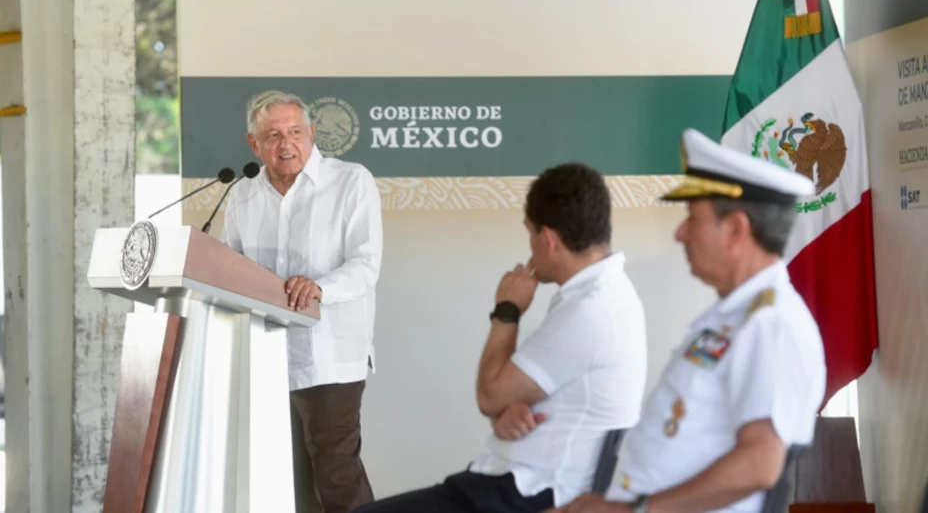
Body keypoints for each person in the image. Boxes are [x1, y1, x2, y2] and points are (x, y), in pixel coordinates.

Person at [546, 128, 826, 513]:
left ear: (735, 230)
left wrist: (635, 510)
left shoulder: (771, 324)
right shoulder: (734, 316)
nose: (680, 233)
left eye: (692, 218)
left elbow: (760, 464)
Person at [353, 162, 649, 513]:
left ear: (549, 239)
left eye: (530, 234)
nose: (530, 247)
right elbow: (509, 397)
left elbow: (490, 394)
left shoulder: (591, 309)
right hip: (510, 481)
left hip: (528, 492)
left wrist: (507, 311)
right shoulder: (603, 295)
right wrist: (505, 412)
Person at [222, 90, 383, 513]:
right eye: (272, 135)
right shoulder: (242, 195)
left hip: (328, 352)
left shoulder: (350, 181)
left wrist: (319, 288)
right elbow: (230, 269)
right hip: (266, 356)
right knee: (287, 481)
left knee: (336, 473)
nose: (285, 143)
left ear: (312, 134)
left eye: (295, 131)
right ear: (254, 144)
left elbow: (366, 265)